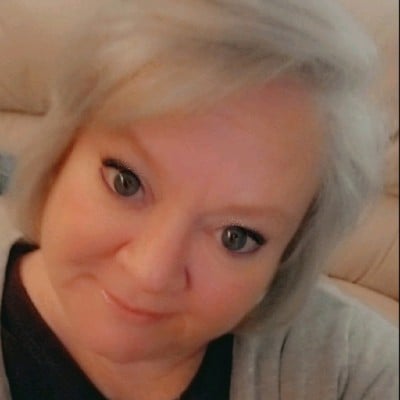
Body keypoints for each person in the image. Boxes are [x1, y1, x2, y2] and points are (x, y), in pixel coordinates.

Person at [0, 0, 398, 399]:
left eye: (235, 237)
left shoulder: (353, 371)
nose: (150, 273)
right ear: (61, 155)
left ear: (286, 260)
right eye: (126, 183)